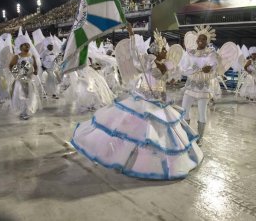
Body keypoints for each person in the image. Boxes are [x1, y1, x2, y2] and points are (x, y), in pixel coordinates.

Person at [69, 24, 203, 180]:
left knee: (161, 134)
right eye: (163, 49)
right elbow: (134, 55)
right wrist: (131, 35)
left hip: (160, 101)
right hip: (144, 99)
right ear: (157, 51)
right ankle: (131, 158)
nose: (166, 51)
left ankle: (156, 161)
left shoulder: (168, 64)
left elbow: (174, 76)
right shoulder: (146, 61)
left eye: (165, 49)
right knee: (140, 131)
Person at [180, 25, 218, 146]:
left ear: (207, 41)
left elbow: (214, 68)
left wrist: (209, 69)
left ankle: (200, 138)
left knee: (202, 112)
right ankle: (186, 135)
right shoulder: (190, 52)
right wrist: (193, 69)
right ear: (196, 40)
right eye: (199, 39)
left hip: (203, 87)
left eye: (203, 39)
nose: (200, 41)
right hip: (190, 85)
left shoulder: (211, 53)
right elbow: (183, 68)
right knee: (184, 110)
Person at [9, 36, 41, 120]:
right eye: (25, 45)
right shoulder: (17, 57)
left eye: (28, 45)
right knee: (22, 95)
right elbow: (11, 65)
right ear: (20, 46)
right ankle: (23, 112)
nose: (27, 46)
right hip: (21, 79)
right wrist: (16, 74)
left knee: (29, 95)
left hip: (29, 78)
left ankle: (26, 110)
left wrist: (35, 71)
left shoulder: (32, 56)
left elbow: (35, 66)